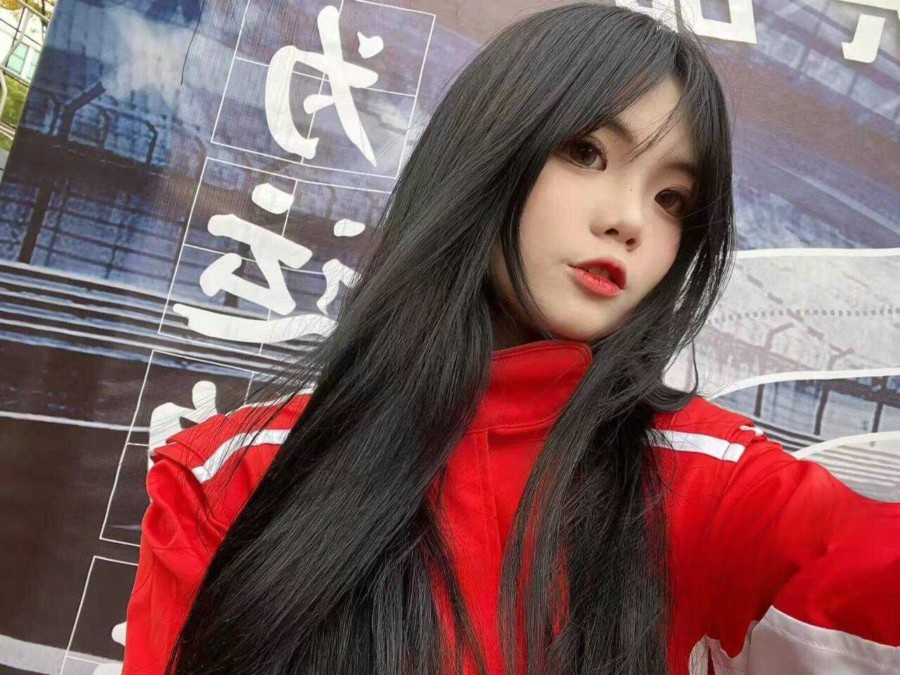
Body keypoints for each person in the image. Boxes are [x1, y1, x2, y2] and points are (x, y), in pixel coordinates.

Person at [122, 3, 900, 674]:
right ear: (490, 147)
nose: (629, 219)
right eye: (586, 152)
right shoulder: (230, 474)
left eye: (671, 199)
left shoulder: (700, 476)